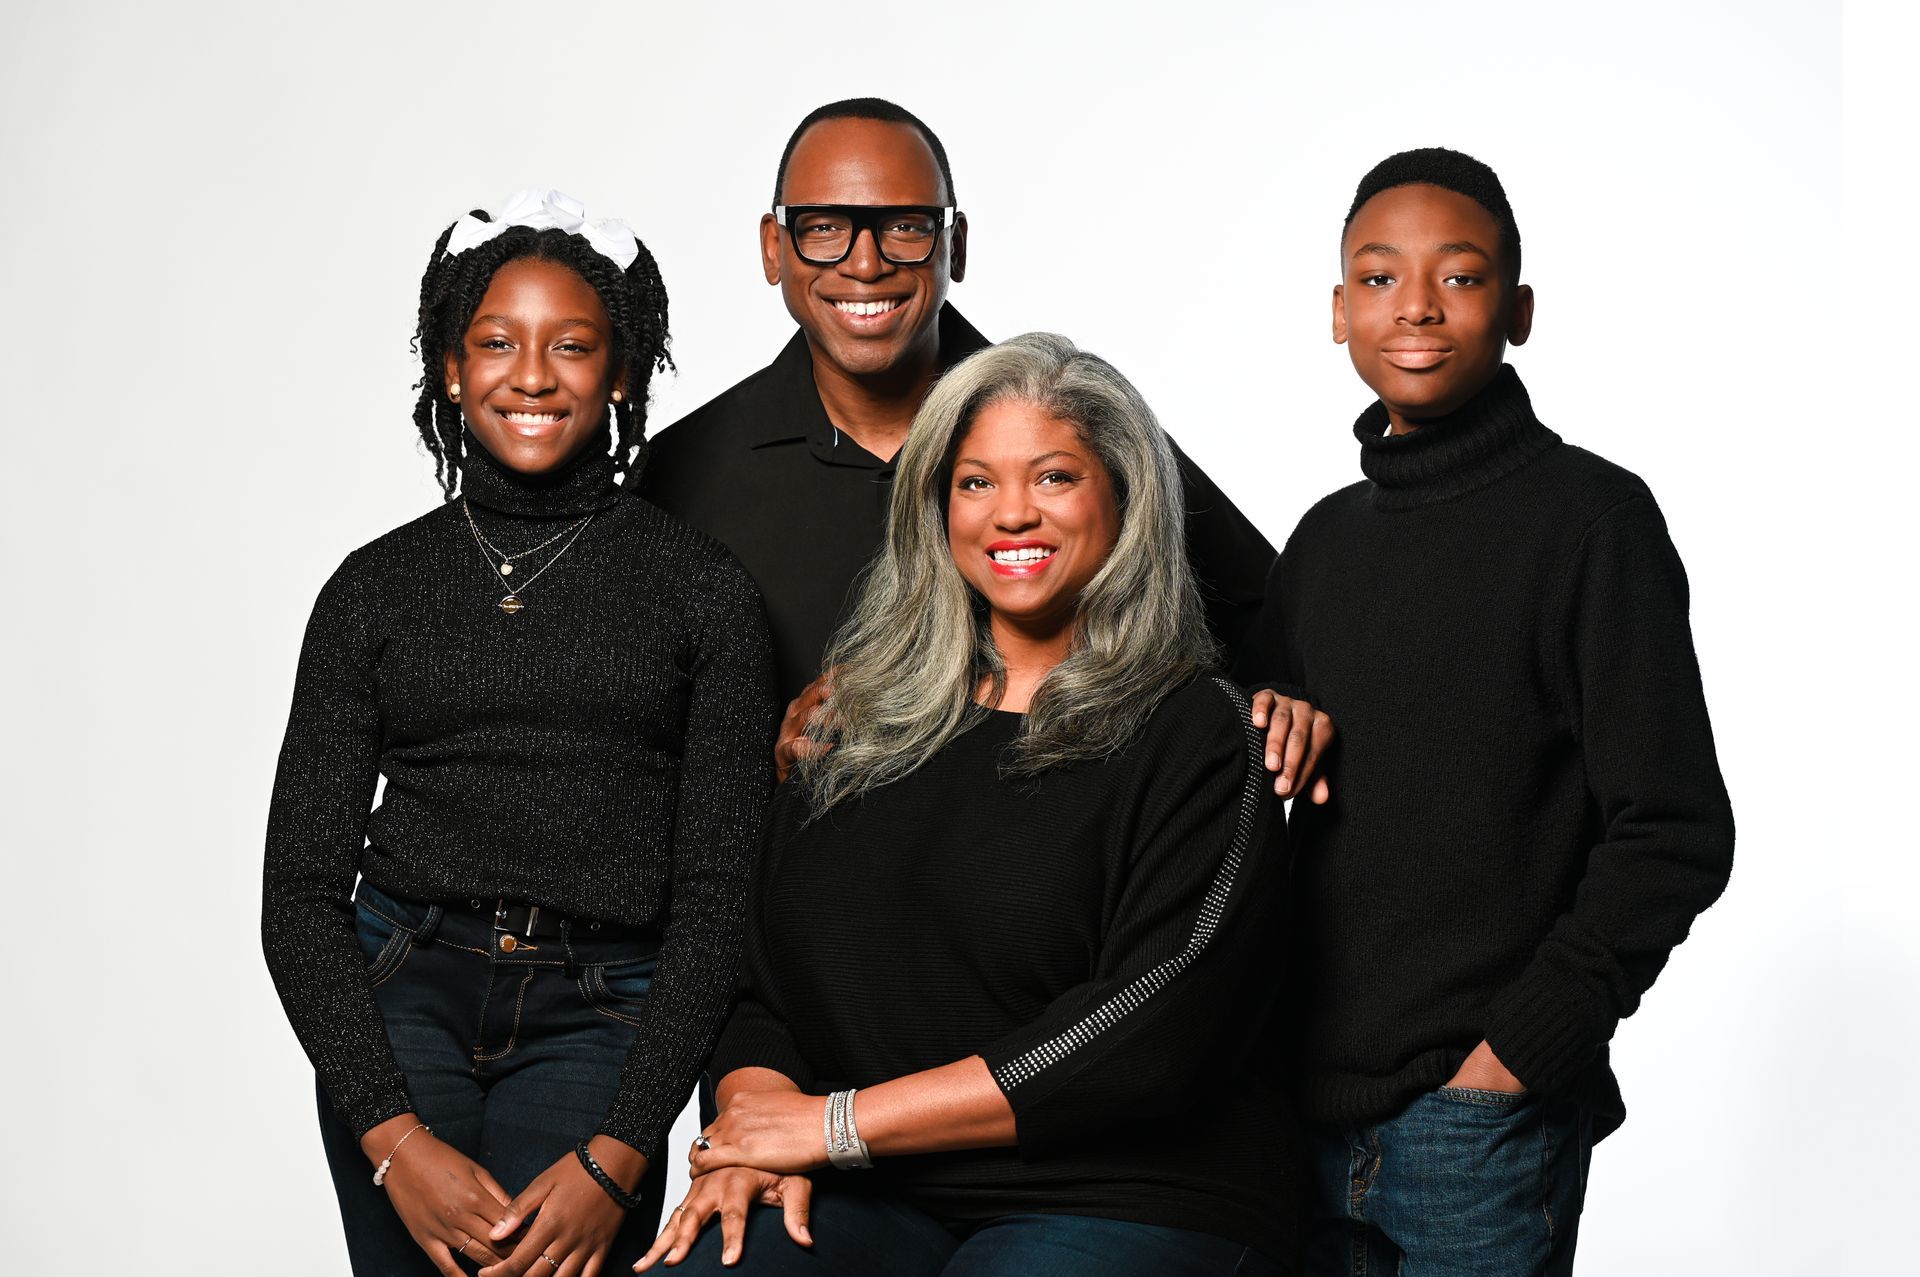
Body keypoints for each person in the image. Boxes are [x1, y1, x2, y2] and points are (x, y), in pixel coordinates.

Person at [637, 333, 1303, 1276]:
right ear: (937, 507)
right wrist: (746, 1138)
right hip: (878, 1191)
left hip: (1132, 1198)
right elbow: (764, 984)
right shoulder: (857, 719)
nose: (1012, 513)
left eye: (1055, 477)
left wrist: (829, 1126)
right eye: (977, 482)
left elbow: (1148, 1031)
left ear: (1123, 498)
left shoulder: (1197, 730)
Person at [1234, 149, 1736, 1276]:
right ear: (1335, 311)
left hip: (1475, 1122)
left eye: (1457, 278)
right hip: (1293, 1112)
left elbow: (1674, 826)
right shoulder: (1322, 542)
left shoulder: (1592, 521)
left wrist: (1516, 1053)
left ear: (1517, 310)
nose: (1413, 305)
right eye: (1377, 278)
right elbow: (1262, 797)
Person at [261, 189, 776, 1277]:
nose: (532, 375)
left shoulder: (703, 591)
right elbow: (300, 892)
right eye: (496, 342)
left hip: (606, 1008)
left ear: (623, 371)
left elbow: (720, 898)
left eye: (572, 346)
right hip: (401, 988)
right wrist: (392, 1136)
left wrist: (623, 1150)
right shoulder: (373, 588)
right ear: (450, 367)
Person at [636, 101, 1325, 801]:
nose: (866, 263)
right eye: (824, 228)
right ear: (773, 248)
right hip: (795, 885)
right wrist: (770, 760)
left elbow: (1272, 620)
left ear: (955, 243)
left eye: (906, 227)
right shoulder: (683, 471)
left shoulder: (1066, 420)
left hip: (1056, 875)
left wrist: (1282, 698)